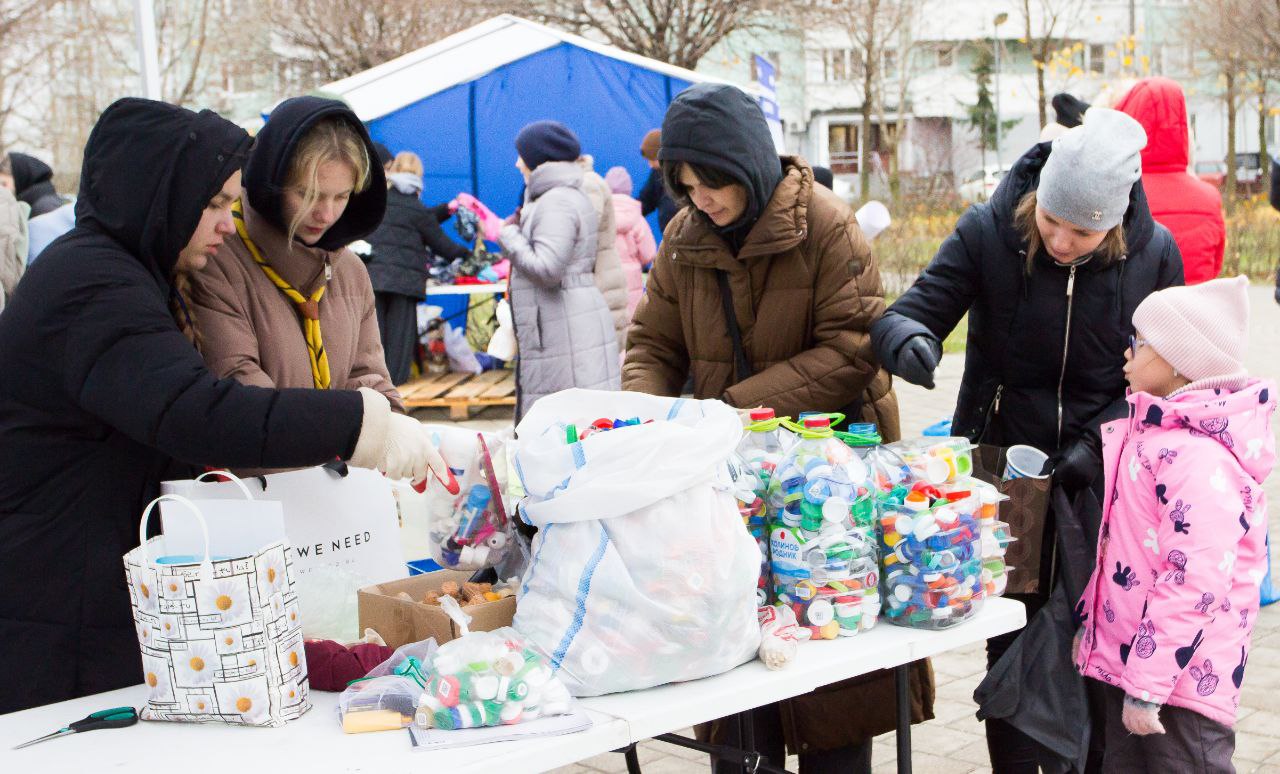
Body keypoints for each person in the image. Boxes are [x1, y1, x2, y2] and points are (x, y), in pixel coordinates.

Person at [0, 98, 452, 714]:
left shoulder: (123, 273)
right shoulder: (96, 286)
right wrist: (359, 425)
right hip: (55, 592)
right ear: (158, 196)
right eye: (212, 204)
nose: (225, 221)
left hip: (83, 571)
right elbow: (201, 413)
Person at [871, 108, 1184, 772]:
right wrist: (909, 342)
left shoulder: (1155, 253)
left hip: (1105, 477)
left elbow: (1171, 374)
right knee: (1009, 632)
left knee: (1098, 632)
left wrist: (1100, 445)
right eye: (1052, 222)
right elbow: (909, 312)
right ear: (1036, 200)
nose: (1064, 241)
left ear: (1116, 220)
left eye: (1085, 231)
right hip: (1004, 472)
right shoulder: (987, 233)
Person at [623, 82, 923, 773]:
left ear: (749, 164)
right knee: (735, 693)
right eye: (687, 184)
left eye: (715, 181)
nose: (704, 198)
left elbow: (853, 347)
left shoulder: (828, 227)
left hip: (829, 481)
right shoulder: (682, 237)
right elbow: (652, 343)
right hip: (729, 479)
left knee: (833, 690)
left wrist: (734, 408)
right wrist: (649, 416)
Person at [1075, 275, 1272, 772]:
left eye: (1138, 344)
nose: (1126, 354)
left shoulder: (1199, 460)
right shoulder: (1156, 436)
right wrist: (1093, 627)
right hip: (1139, 669)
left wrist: (1148, 683)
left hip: (1180, 685)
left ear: (1178, 363)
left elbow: (1193, 582)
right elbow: (1125, 551)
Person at [186, 96, 401, 411]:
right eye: (308, 194)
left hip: (334, 455)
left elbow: (366, 375)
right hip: (266, 458)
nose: (326, 215)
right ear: (270, 182)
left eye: (341, 196)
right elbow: (241, 392)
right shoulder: (217, 260)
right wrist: (347, 434)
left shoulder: (350, 271)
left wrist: (392, 424)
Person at [499, 120, 619, 421]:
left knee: (565, 430)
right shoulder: (561, 196)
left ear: (538, 159)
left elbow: (548, 268)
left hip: (564, 328)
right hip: (565, 324)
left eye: (521, 155)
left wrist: (509, 235)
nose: (517, 163)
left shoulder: (557, 202)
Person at [366, 150, 471, 384]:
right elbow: (441, 243)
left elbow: (414, 220)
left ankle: (374, 385)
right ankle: (395, 388)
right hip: (404, 282)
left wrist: (445, 209)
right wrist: (470, 255)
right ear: (419, 176)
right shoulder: (415, 207)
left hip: (373, 276)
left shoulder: (378, 201)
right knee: (399, 340)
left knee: (375, 338)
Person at [1115, 78, 1225, 285]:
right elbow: (1215, 265)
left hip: (1137, 314)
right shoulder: (1210, 198)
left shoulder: (1119, 193)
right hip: (1195, 312)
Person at [577, 153, 631, 347]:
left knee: (603, 346)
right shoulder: (586, 182)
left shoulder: (588, 184)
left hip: (600, 276)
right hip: (607, 274)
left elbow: (584, 231)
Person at [604, 165, 657, 318]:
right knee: (631, 326)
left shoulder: (599, 217)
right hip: (631, 285)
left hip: (604, 280)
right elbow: (649, 253)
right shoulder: (637, 219)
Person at [636, 128, 679, 234]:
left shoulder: (683, 173)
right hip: (668, 236)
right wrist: (628, 211)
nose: (650, 164)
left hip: (690, 235)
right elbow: (646, 200)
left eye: (653, 160)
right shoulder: (657, 173)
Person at [1, 152, 65, 217]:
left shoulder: (45, 207)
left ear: (21, 178)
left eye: (4, 184)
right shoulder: (37, 202)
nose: (2, 189)